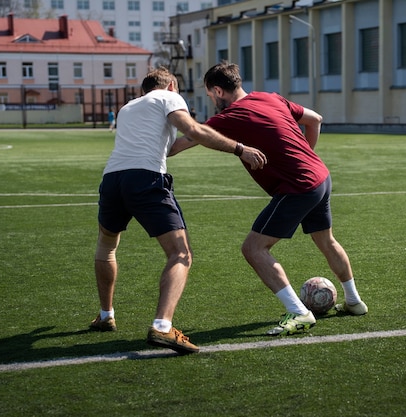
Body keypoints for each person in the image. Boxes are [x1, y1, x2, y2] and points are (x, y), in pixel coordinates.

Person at [170, 61, 368, 336]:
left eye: (209, 94)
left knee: (253, 249)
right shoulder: (269, 97)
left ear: (218, 90)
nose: (211, 100)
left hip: (298, 187)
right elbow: (315, 119)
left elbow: (182, 143)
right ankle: (354, 301)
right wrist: (304, 156)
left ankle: (299, 313)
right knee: (326, 240)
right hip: (321, 177)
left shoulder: (228, 117)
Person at [89, 67, 267, 354]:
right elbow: (193, 129)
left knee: (106, 248)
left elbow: (170, 147)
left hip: (112, 180)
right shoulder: (169, 98)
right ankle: (162, 326)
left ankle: (106, 316)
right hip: (145, 179)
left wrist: (209, 133)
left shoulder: (128, 108)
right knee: (180, 254)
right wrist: (239, 148)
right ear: (171, 85)